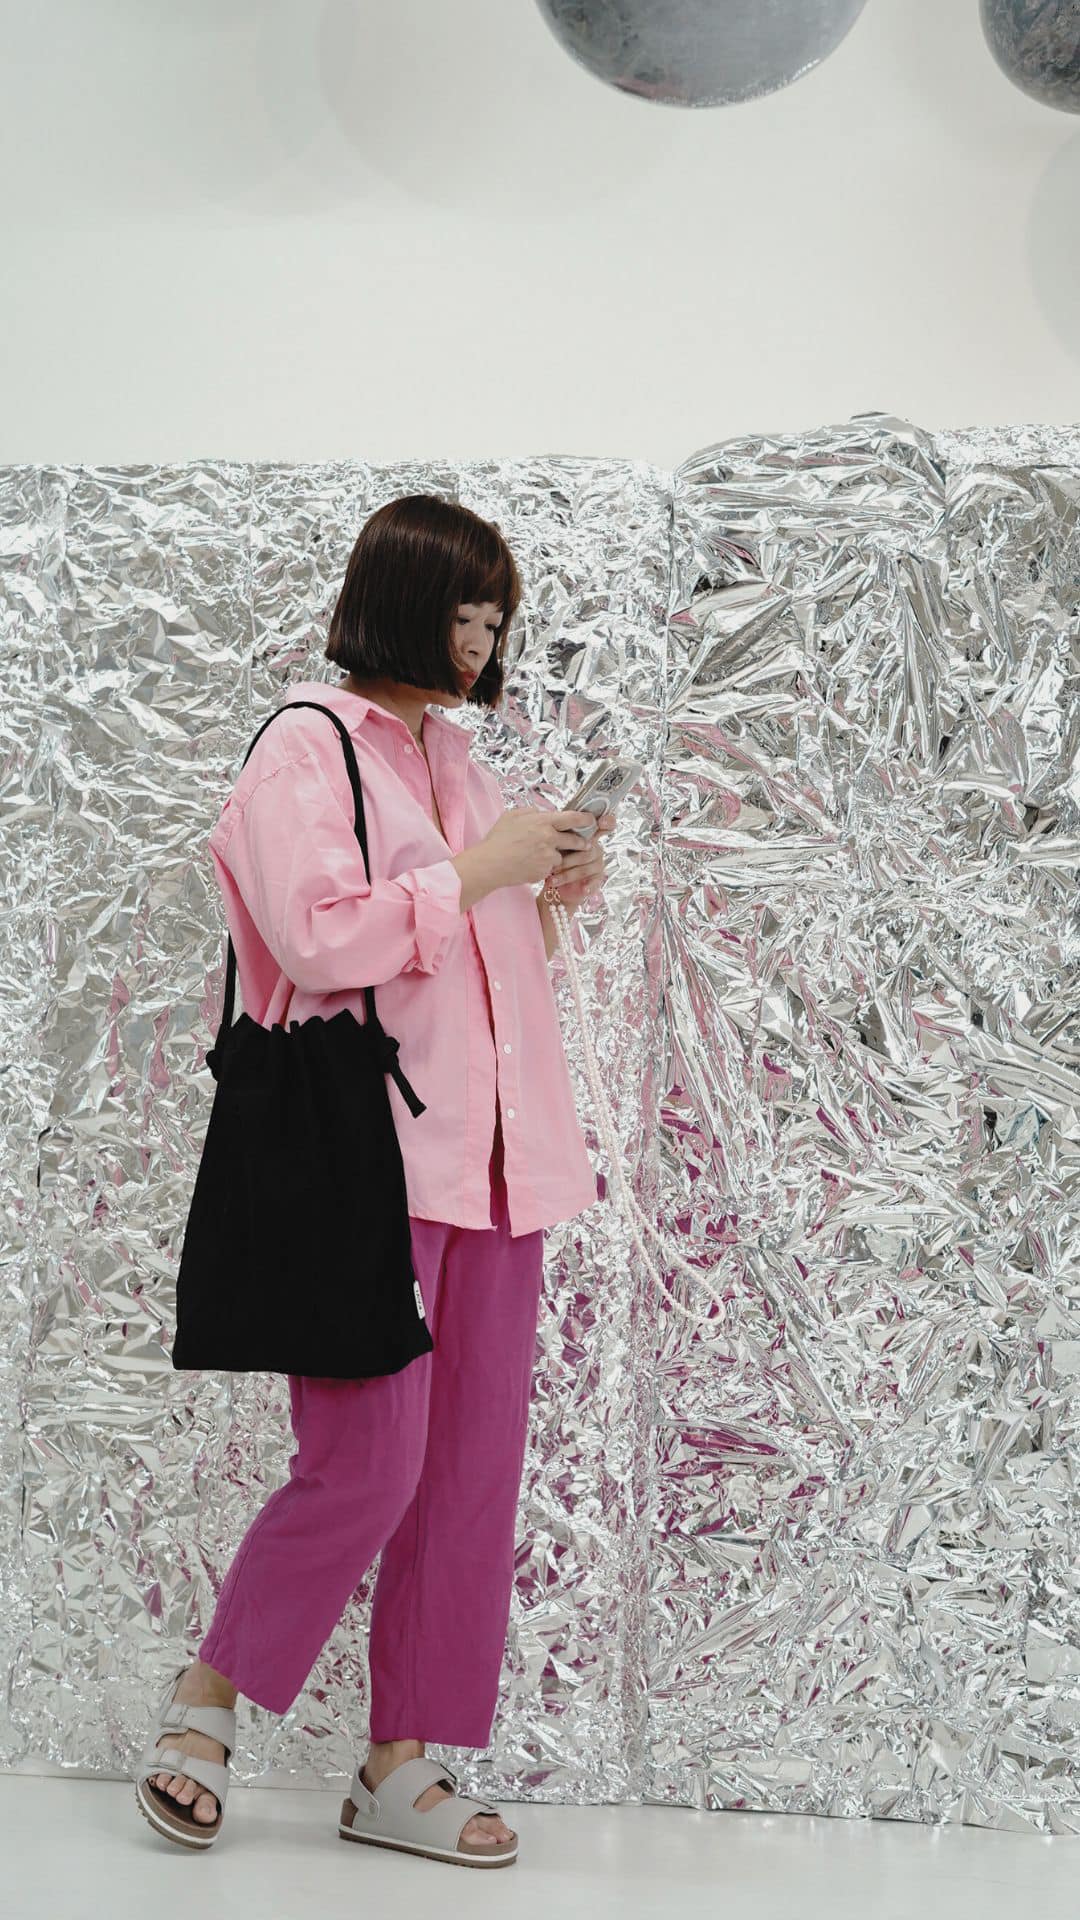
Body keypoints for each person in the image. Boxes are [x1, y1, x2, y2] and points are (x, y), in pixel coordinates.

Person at [135, 493, 614, 1866]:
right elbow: (318, 938)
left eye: (496, 620)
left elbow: (472, 956)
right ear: (398, 602)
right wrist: (476, 873)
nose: (480, 643)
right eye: (463, 613)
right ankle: (206, 1702)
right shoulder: (307, 745)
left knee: (467, 1476)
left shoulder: (454, 760)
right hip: (371, 1167)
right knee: (369, 1464)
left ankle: (403, 1767)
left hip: (502, 1164)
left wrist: (544, 884)